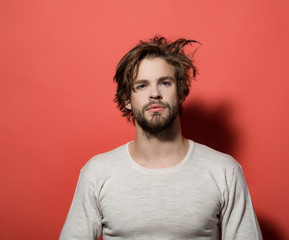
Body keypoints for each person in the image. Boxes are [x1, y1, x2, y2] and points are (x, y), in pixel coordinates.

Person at [60, 36, 262, 240]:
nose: (154, 93)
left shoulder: (225, 171)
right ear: (126, 100)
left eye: (165, 82)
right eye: (141, 86)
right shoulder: (97, 173)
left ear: (181, 93)